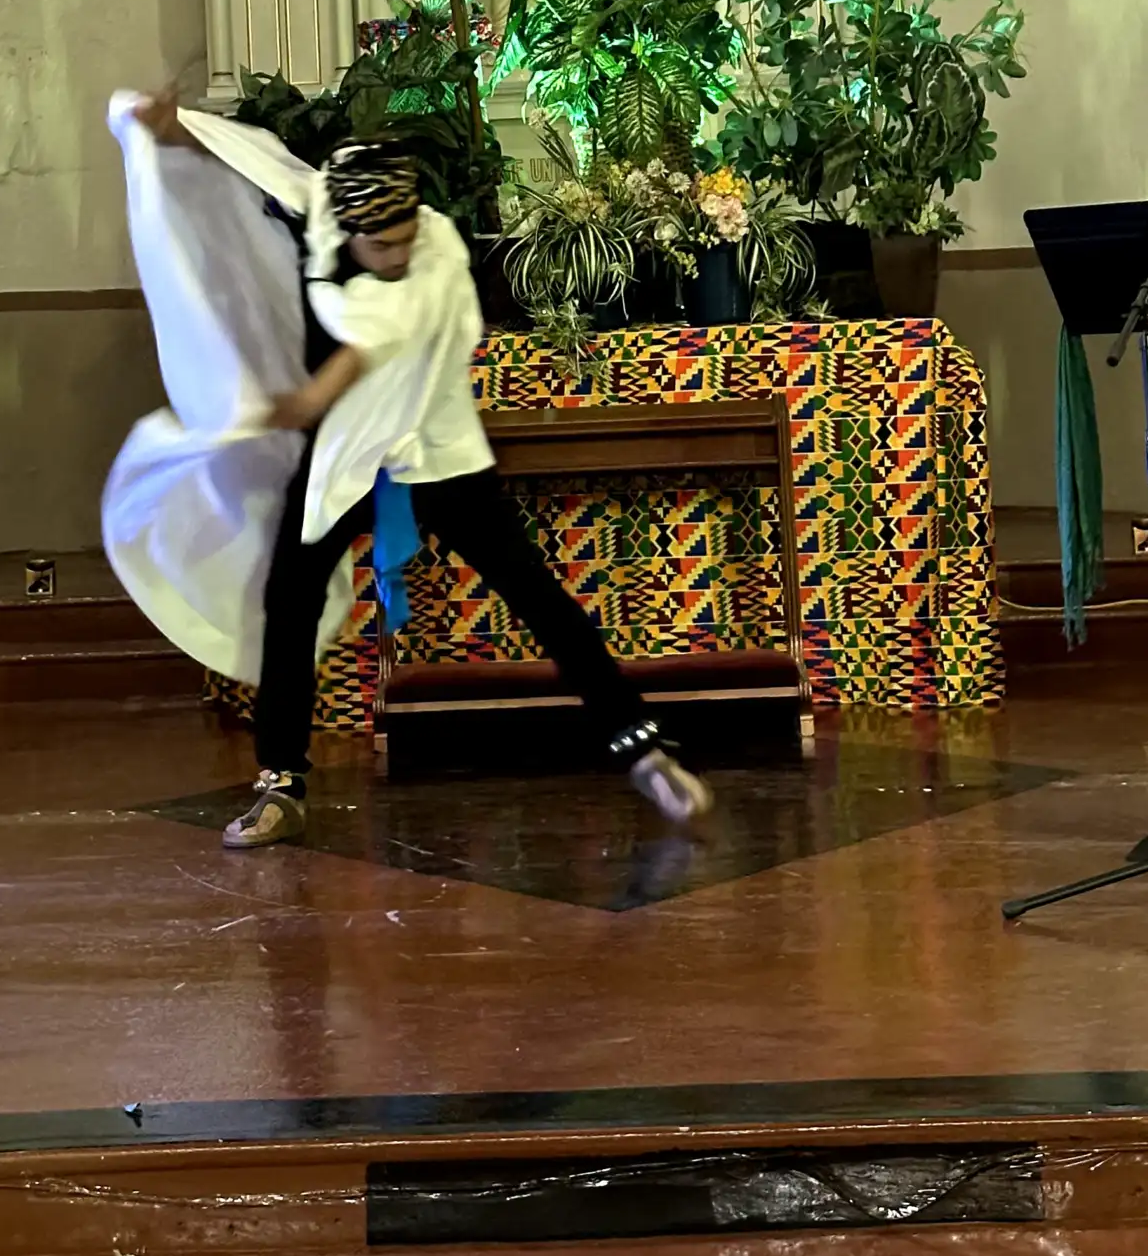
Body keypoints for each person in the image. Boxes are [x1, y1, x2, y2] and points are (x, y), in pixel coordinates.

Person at [103, 90, 712, 851]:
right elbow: (258, 164)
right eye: (381, 246)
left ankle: (644, 751)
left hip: (436, 450)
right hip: (348, 453)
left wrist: (289, 404)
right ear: (347, 228)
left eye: (404, 237)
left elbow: (359, 349)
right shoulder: (321, 217)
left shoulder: (437, 256)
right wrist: (168, 129)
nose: (397, 255)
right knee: (288, 601)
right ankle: (281, 782)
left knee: (535, 592)